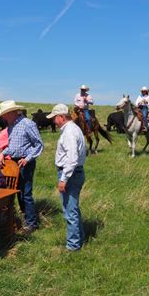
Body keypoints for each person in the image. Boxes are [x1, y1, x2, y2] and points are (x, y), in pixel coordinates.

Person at [0, 100, 44, 234]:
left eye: (5, 114)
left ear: (12, 113)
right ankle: (24, 218)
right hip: (14, 162)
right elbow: (13, 147)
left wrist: (28, 159)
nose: (3, 117)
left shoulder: (28, 124)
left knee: (26, 193)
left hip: (25, 162)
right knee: (17, 192)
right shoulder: (11, 126)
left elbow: (39, 144)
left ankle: (31, 224)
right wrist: (2, 153)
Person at [46, 104, 86, 251]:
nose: (53, 122)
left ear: (61, 117)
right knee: (73, 208)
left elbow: (72, 158)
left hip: (71, 173)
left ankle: (73, 245)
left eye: (55, 118)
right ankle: (79, 237)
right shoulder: (73, 129)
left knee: (70, 210)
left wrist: (63, 178)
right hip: (75, 173)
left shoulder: (69, 132)